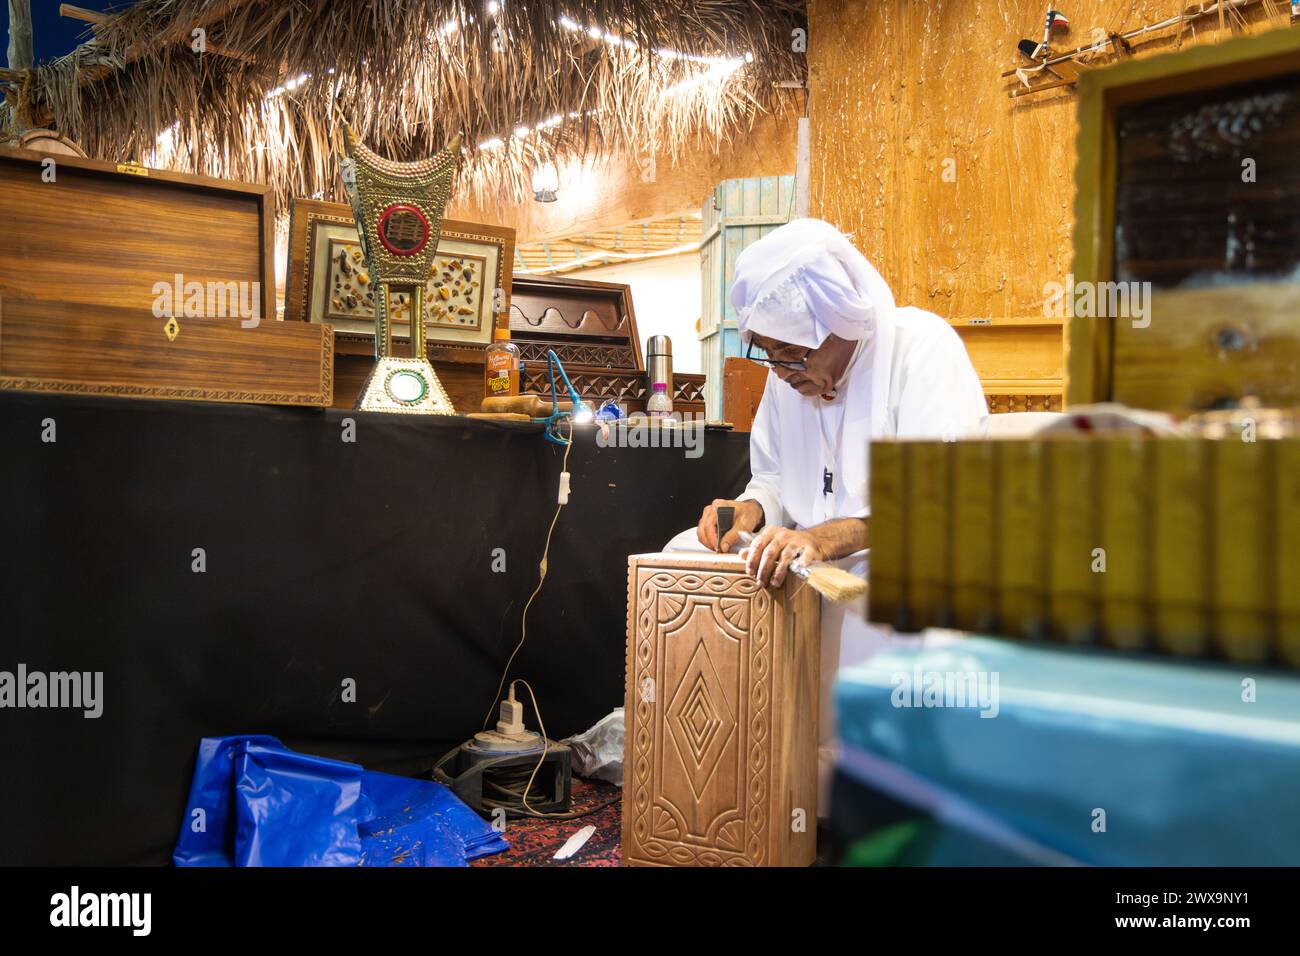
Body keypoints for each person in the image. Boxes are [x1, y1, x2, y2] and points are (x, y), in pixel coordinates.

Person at [694, 218, 988, 799]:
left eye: (793, 352)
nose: (782, 370)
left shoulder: (920, 347)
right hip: (809, 551)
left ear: (841, 324)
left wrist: (825, 539)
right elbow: (774, 475)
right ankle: (737, 785)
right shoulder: (786, 379)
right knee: (688, 553)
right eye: (770, 354)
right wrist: (752, 507)